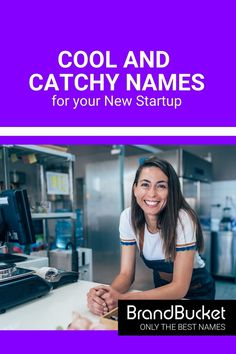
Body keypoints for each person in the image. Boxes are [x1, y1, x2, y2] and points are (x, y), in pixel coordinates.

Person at [87, 157, 215, 316]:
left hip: (195, 290)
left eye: (161, 186)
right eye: (145, 184)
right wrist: (106, 295)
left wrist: (123, 299)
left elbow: (179, 287)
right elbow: (126, 275)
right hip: (162, 289)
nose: (152, 193)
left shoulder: (183, 219)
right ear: (135, 189)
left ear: (171, 191)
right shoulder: (128, 218)